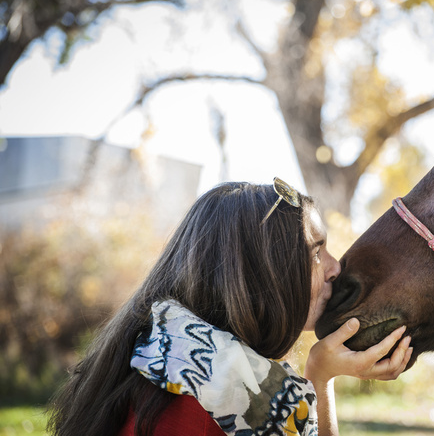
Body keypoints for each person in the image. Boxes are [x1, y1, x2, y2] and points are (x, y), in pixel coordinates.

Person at [47, 179, 413, 436]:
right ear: (260, 273)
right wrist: (317, 379)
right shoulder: (212, 412)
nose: (335, 267)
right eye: (316, 252)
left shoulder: (175, 361)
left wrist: (319, 376)